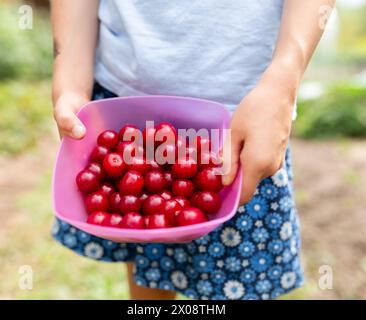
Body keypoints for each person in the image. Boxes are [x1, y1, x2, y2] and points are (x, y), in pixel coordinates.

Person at [51, 0, 335, 300]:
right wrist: (69, 78)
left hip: (242, 117)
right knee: (148, 259)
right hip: (124, 99)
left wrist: (284, 80)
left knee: (237, 281)